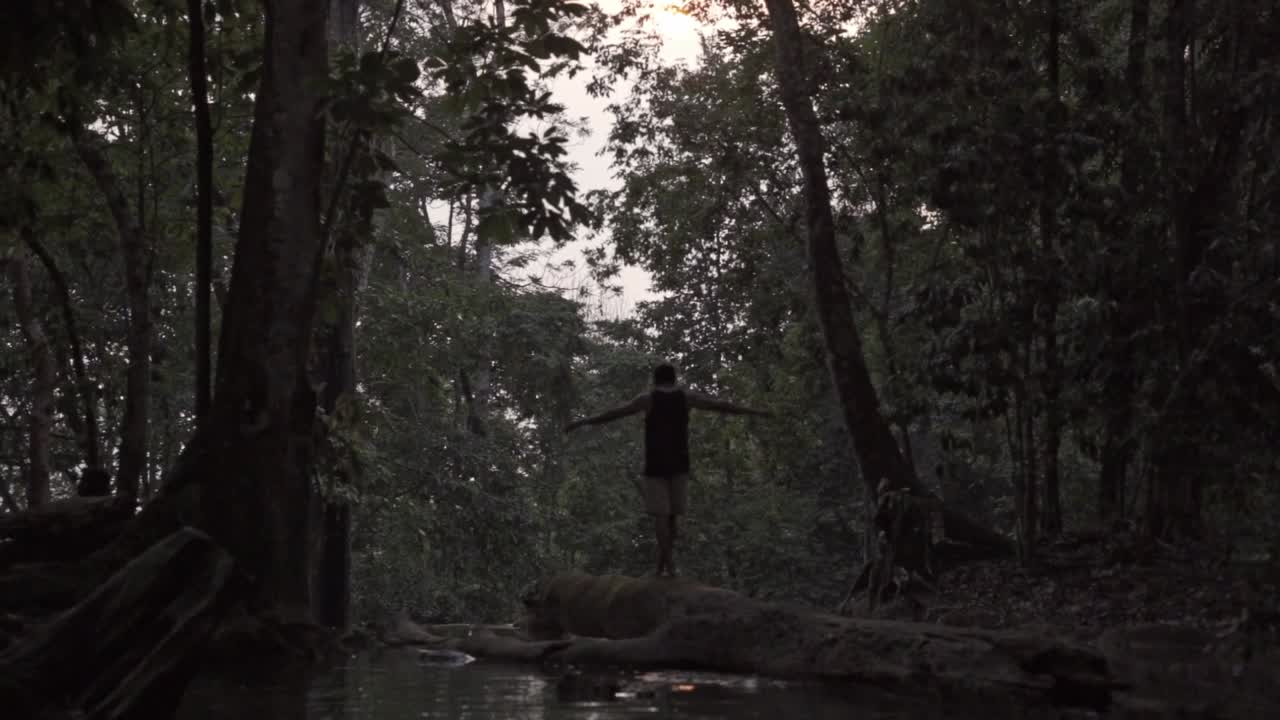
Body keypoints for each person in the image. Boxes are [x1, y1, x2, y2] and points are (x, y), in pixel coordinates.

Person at [564, 362, 769, 577]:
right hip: (680, 464)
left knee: (661, 517)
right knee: (672, 518)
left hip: (655, 466)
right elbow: (721, 405)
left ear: (655, 379)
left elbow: (614, 413)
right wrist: (755, 412)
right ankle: (666, 568)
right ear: (674, 378)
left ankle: (666, 567)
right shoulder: (686, 397)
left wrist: (582, 421)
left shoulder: (648, 399)